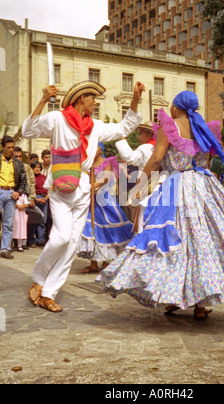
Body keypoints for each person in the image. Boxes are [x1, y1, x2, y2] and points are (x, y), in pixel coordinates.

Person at [97, 91, 224, 320]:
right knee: (203, 241)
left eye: (173, 105)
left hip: (179, 186)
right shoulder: (202, 128)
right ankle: (197, 301)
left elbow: (156, 160)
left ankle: (181, 295)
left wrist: (139, 184)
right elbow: (207, 160)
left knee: (179, 242)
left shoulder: (170, 126)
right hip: (203, 186)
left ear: (177, 107)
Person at [22, 79, 145, 312]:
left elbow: (123, 128)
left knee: (71, 245)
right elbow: (28, 130)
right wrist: (42, 100)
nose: (95, 102)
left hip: (83, 190)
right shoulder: (57, 118)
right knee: (61, 238)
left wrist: (136, 99)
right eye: (93, 98)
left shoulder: (95, 125)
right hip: (60, 185)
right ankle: (39, 278)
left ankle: (49, 293)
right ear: (82, 99)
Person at [78, 142, 134, 273]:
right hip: (90, 199)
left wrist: (94, 185)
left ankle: (106, 261)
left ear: (101, 149)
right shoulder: (86, 163)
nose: (93, 150)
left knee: (107, 229)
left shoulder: (106, 162)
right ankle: (92, 263)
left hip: (103, 199)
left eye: (96, 147)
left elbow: (106, 178)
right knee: (92, 229)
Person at [116, 122, 160, 233]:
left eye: (140, 134)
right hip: (159, 185)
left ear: (149, 134)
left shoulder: (147, 148)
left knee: (141, 216)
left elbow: (130, 158)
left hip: (145, 184)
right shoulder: (159, 147)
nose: (139, 138)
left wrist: (121, 139)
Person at [0, 136, 27, 259]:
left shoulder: (18, 163)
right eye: (8, 147)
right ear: (2, 147)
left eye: (12, 147)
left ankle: (5, 249)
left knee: (8, 223)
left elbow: (23, 180)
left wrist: (18, 191)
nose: (11, 150)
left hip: (11, 194)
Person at [13, 146, 36, 250]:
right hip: (11, 196)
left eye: (20, 156)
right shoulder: (8, 166)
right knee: (11, 221)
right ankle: (10, 244)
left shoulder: (27, 167)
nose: (18, 158)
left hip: (24, 196)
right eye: (16, 156)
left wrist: (32, 198)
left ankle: (22, 243)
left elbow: (32, 182)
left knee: (24, 221)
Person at [28, 161, 48, 247]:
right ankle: (32, 240)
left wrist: (46, 198)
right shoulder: (30, 178)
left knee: (43, 220)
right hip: (35, 199)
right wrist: (36, 199)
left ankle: (41, 240)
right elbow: (29, 190)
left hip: (44, 199)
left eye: (39, 167)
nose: (37, 169)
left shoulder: (44, 177)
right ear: (31, 168)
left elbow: (50, 188)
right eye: (35, 167)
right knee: (33, 221)